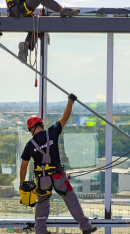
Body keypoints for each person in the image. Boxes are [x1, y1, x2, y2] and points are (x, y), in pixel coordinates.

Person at [19, 93, 97, 234]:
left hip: (42, 181)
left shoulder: (30, 145)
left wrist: (22, 183)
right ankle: (86, 227)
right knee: (71, 199)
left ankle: (41, 231)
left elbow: (23, 166)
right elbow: (65, 116)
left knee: (42, 205)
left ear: (31, 129)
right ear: (41, 124)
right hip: (58, 177)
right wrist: (70, 101)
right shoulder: (52, 132)